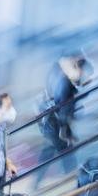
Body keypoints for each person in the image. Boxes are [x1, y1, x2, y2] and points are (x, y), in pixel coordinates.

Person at [35, 54, 89, 189]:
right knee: (65, 151)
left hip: (48, 120)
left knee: (50, 150)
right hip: (53, 122)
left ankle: (37, 182)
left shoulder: (59, 72)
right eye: (82, 70)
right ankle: (72, 181)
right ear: (76, 67)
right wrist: (66, 133)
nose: (83, 73)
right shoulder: (65, 83)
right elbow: (64, 109)